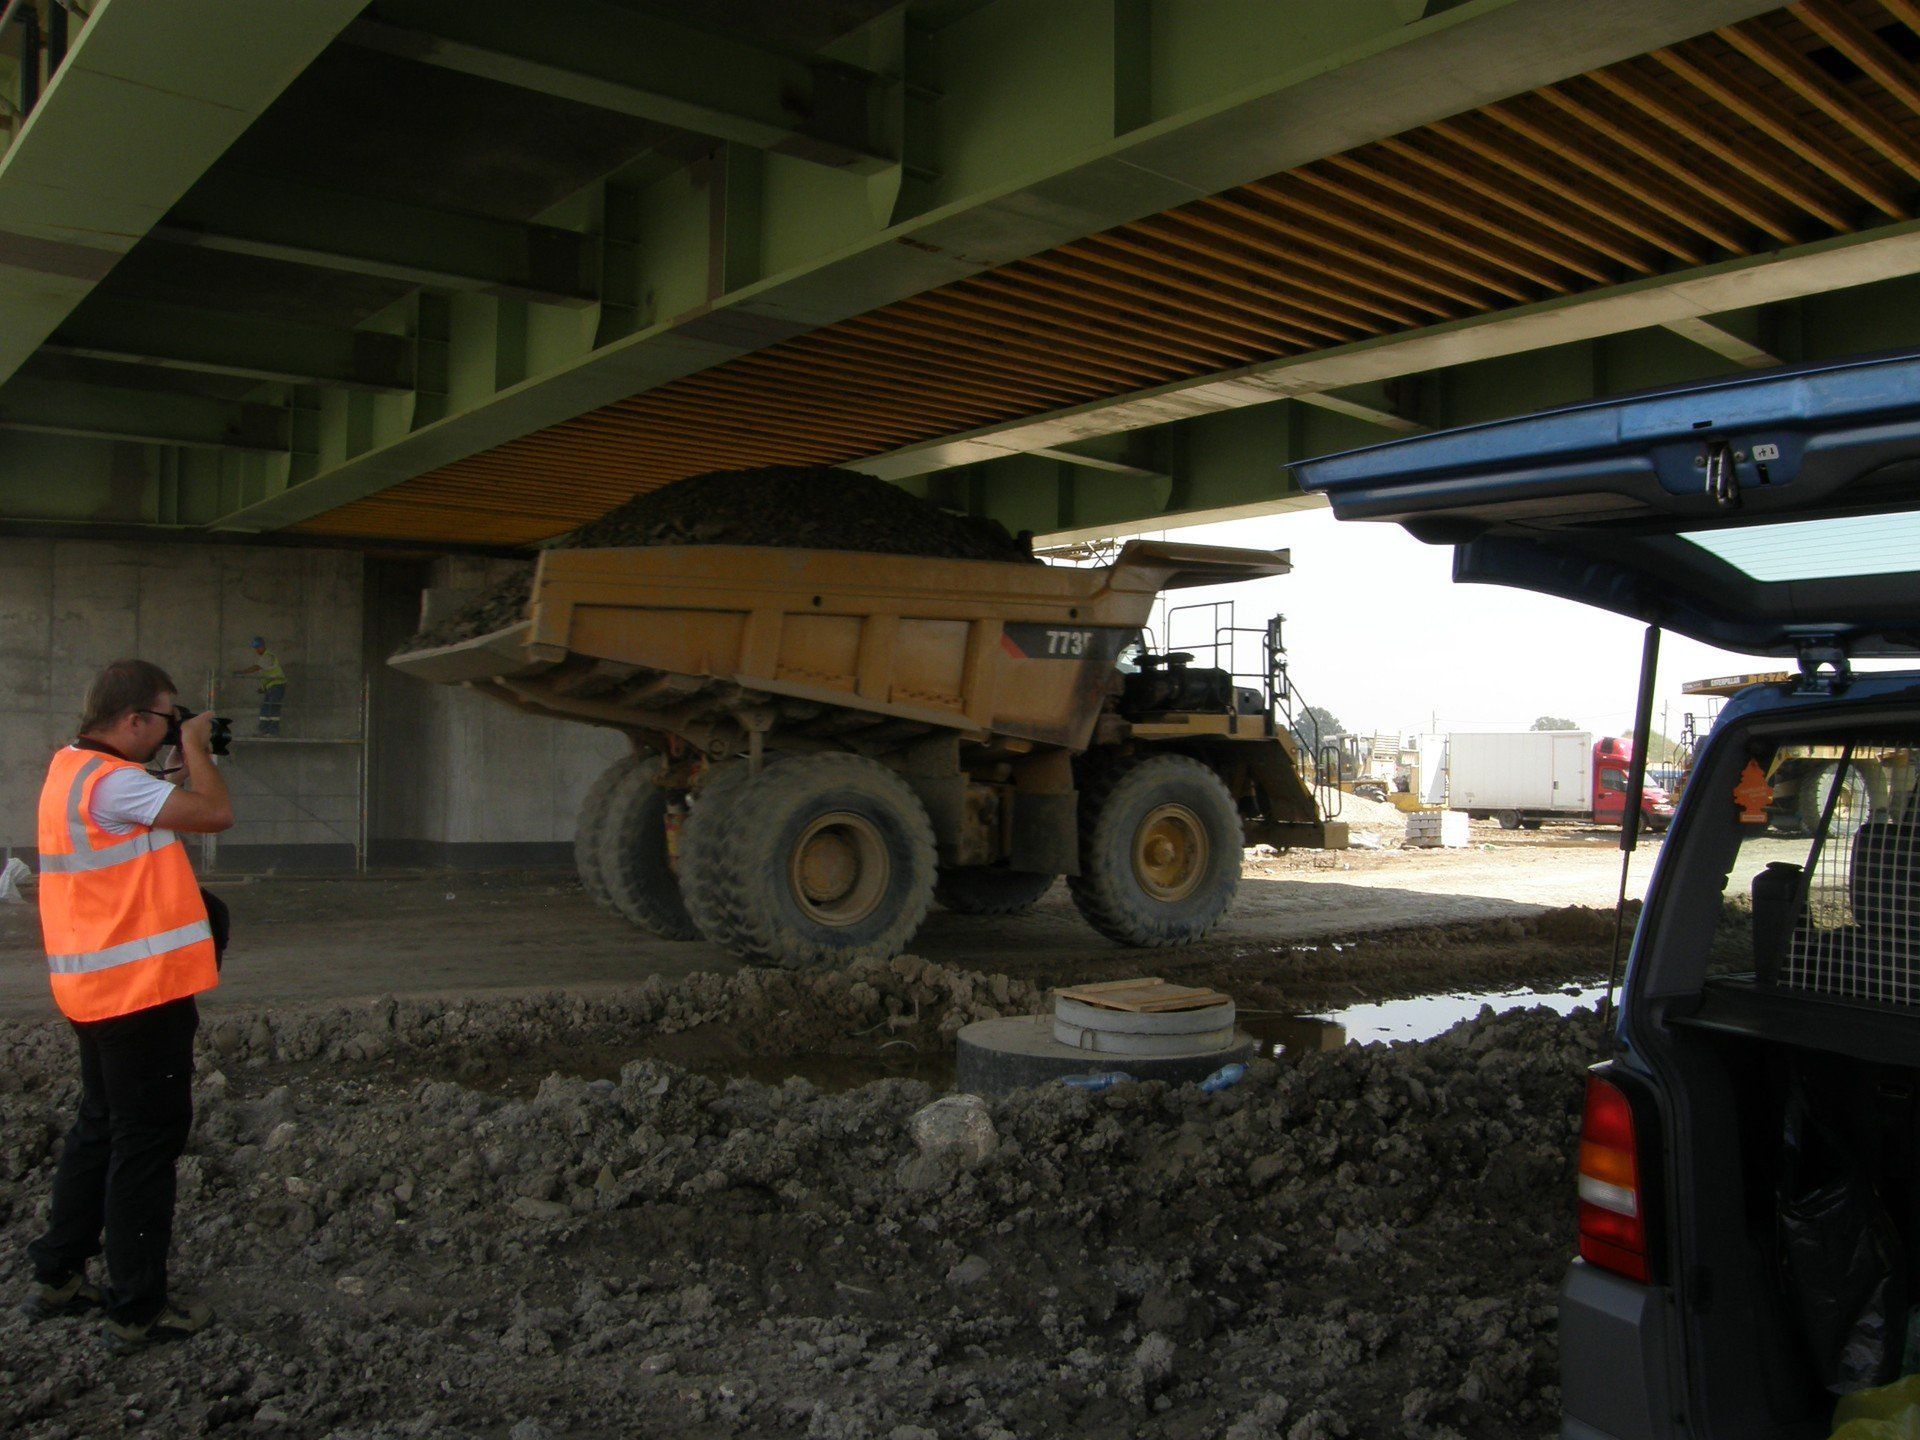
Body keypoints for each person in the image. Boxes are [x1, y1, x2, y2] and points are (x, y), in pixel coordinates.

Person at [21, 659, 233, 1353]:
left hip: (92, 988)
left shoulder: (73, 769)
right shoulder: (114, 783)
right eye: (168, 718)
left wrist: (177, 758)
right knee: (145, 1142)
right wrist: (197, 751)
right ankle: (136, 1308)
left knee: (101, 1127)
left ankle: (58, 1274)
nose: (173, 728)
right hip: (140, 995)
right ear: (136, 719)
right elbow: (215, 814)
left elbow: (141, 811)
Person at [232, 637, 286, 737]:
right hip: (271, 686)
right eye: (255, 648)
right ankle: (264, 731)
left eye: (258, 647)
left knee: (273, 707)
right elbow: (267, 676)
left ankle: (273, 732)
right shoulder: (263, 658)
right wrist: (263, 688)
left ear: (263, 646)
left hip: (277, 685)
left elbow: (257, 667)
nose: (256, 650)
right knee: (265, 708)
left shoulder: (268, 657)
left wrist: (242, 672)